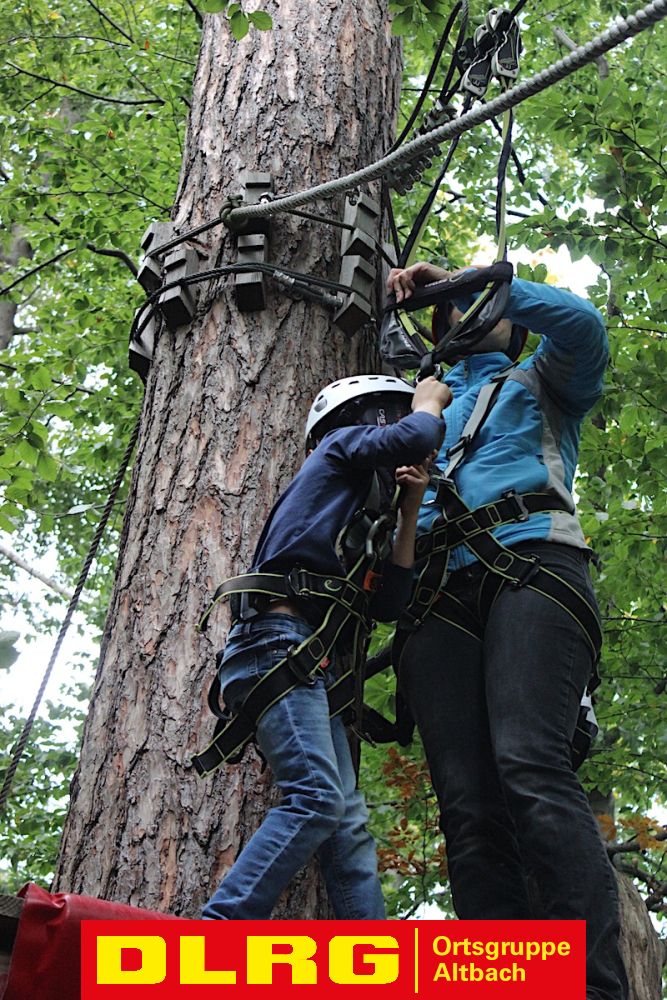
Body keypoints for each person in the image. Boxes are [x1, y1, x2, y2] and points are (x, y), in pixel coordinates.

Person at [386, 261, 628, 1000]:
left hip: (532, 565)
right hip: (434, 592)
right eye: (448, 312)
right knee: (466, 807)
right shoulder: (415, 410)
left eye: (476, 308)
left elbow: (583, 327)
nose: (461, 316)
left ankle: (591, 986)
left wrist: (469, 281)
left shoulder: (544, 381)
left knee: (529, 761)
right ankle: (507, 983)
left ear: (509, 323)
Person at [202, 372, 452, 920]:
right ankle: (218, 929)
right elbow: (414, 435)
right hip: (276, 644)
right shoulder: (338, 448)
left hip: (303, 660)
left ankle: (370, 955)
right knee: (316, 797)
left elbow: (390, 603)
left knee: (346, 822)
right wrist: (431, 400)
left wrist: (410, 509)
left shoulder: (356, 518)